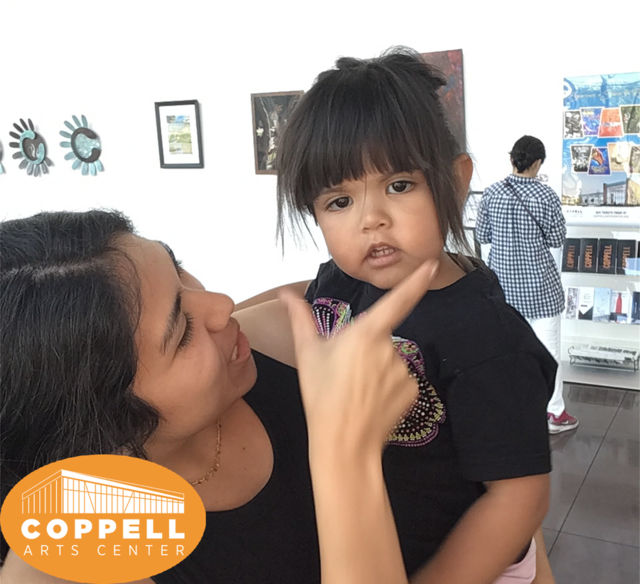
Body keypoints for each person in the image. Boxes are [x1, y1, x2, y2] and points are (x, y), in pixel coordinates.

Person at [239, 48, 556, 584]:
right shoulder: (344, 282)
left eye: (399, 186)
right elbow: (306, 303)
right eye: (339, 201)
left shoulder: (486, 338)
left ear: (456, 181)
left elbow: (519, 497)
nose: (372, 220)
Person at [0, 208, 438, 584]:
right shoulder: (64, 554)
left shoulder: (276, 337)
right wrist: (346, 454)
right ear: (103, 422)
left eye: (178, 270)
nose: (222, 304)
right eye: (183, 331)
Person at [475, 135, 579, 434]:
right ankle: (554, 413)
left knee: (506, 353)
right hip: (541, 288)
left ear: (512, 159)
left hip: (503, 290)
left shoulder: (492, 193)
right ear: (538, 163)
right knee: (548, 352)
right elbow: (557, 240)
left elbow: (482, 236)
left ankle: (511, 412)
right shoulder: (545, 195)